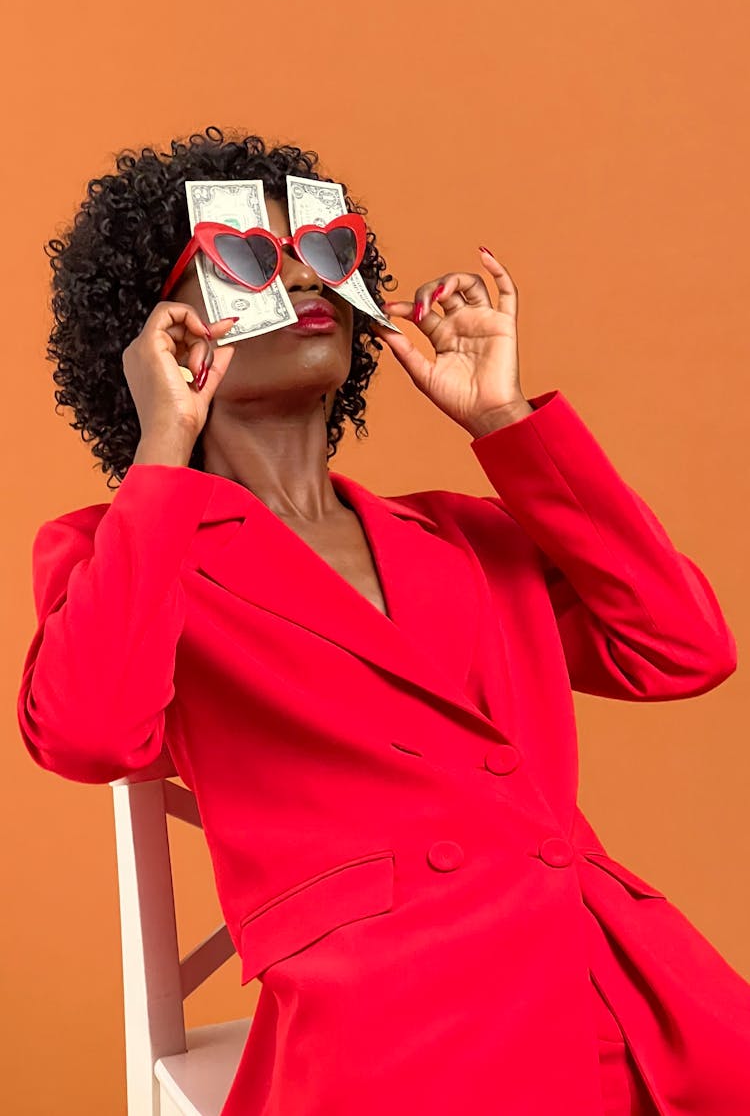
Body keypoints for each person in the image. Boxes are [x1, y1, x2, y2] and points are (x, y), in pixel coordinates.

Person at [18, 127, 750, 1115]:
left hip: (612, 965)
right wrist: (162, 448)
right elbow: (88, 732)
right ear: (159, 332)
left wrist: (505, 422)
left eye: (327, 252)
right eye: (245, 259)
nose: (304, 282)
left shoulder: (463, 534)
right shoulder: (129, 549)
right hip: (398, 1017)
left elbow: (684, 647)